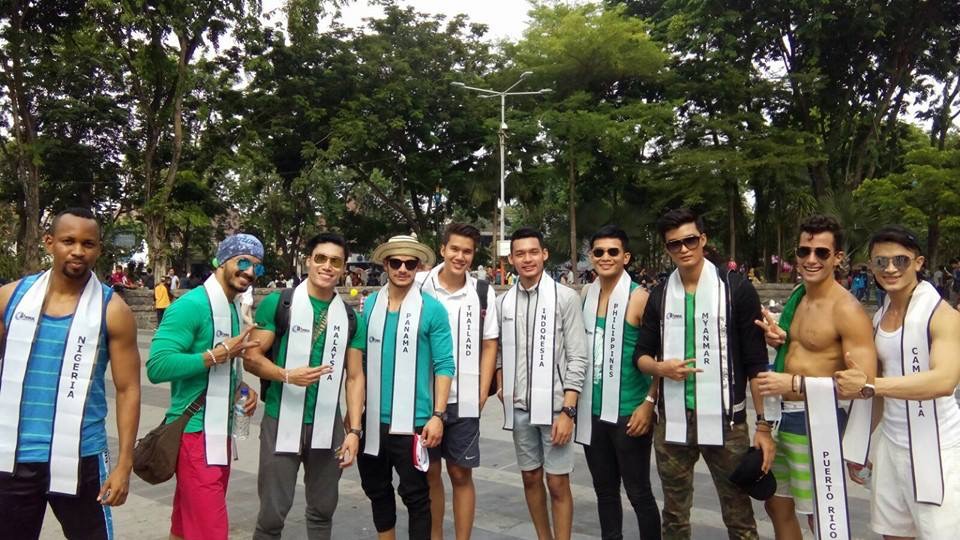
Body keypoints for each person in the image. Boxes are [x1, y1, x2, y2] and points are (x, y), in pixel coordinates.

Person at [0, 207, 142, 539]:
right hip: (13, 455)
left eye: (87, 243)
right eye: (68, 241)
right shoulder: (10, 298)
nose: (78, 250)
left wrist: (124, 464)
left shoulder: (113, 310)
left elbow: (128, 389)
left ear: (98, 250)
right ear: (49, 242)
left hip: (81, 456)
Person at [634, 208, 775, 540]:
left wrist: (763, 426)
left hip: (727, 421)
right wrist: (661, 368)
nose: (684, 249)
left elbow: (756, 364)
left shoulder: (735, 289)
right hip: (674, 421)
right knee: (674, 515)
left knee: (739, 516)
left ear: (703, 239)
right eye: (675, 244)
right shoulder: (660, 294)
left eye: (690, 240)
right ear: (667, 248)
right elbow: (641, 356)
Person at [754, 214, 877, 539]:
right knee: (777, 505)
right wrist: (783, 339)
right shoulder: (801, 296)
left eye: (821, 252)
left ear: (838, 258)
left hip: (816, 422)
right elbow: (808, 348)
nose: (811, 259)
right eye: (804, 251)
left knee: (822, 516)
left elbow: (865, 385)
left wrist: (795, 383)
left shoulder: (847, 310)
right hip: (782, 417)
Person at [832, 226, 960, 538]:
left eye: (900, 260)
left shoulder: (941, 315)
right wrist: (858, 446)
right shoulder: (880, 316)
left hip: (937, 449)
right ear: (871, 266)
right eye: (881, 261)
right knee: (893, 534)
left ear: (918, 263)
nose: (890, 269)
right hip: (891, 446)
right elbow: (875, 392)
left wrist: (871, 385)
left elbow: (944, 380)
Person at [244, 232, 367, 540]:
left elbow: (355, 376)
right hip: (281, 418)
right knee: (271, 515)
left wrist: (354, 431)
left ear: (343, 267)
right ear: (308, 261)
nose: (327, 266)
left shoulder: (351, 318)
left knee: (323, 511)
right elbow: (251, 358)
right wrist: (287, 375)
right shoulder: (279, 303)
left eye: (335, 261)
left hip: (327, 423)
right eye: (320, 258)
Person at [147, 233, 263, 540]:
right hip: (195, 433)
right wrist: (216, 355)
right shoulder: (192, 305)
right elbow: (157, 366)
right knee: (211, 531)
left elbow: (222, 369)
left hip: (219, 432)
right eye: (243, 262)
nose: (250, 272)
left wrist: (241, 388)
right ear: (222, 261)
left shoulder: (231, 307)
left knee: (185, 526)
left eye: (257, 266)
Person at [358, 235, 455, 540]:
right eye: (396, 262)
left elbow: (444, 365)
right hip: (373, 419)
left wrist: (438, 415)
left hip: (414, 420)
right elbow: (359, 361)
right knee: (377, 489)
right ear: (385, 265)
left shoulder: (432, 309)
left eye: (410, 263)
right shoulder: (370, 305)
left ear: (418, 267)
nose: (402, 269)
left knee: (416, 496)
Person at [496, 227, 588, 540]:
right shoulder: (504, 302)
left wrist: (569, 411)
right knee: (530, 478)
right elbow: (498, 351)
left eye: (533, 252)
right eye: (520, 253)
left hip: (555, 408)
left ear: (544, 254)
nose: (527, 259)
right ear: (511, 259)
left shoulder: (565, 298)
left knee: (558, 483)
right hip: (521, 409)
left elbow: (578, 356)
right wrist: (501, 385)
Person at [415, 223, 498, 540]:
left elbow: (490, 343)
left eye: (467, 251)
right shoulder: (420, 285)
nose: (460, 256)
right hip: (424, 397)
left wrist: (482, 391)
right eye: (454, 249)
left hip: (464, 399)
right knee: (430, 473)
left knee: (461, 473)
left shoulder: (482, 292)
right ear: (442, 249)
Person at [578, 225, 661, 539]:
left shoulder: (640, 298)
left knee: (639, 493)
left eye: (613, 251)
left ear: (626, 257)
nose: (606, 257)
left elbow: (659, 354)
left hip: (629, 412)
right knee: (605, 492)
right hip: (593, 412)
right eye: (599, 252)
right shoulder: (586, 294)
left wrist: (649, 403)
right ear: (591, 256)